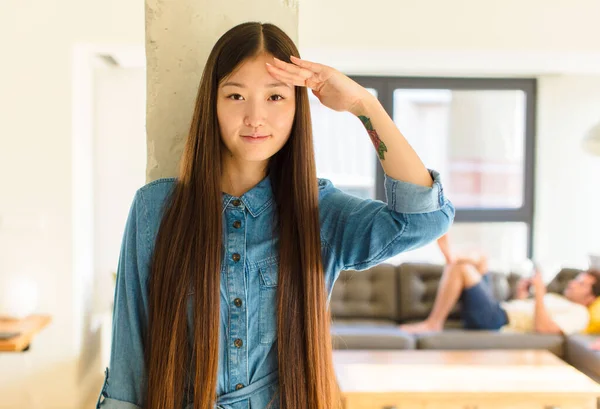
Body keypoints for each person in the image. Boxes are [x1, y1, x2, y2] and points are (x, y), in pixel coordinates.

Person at [97, 22, 454, 409]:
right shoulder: (155, 207)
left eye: (275, 97)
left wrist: (363, 105)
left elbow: (423, 218)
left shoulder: (317, 211)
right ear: (212, 104)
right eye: (236, 95)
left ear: (297, 106)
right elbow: (128, 365)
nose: (255, 117)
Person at [400, 234, 600, 335]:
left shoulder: (579, 314)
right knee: (481, 257)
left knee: (460, 268)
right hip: (498, 310)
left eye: (581, 283)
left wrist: (539, 293)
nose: (573, 283)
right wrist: (522, 296)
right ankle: (452, 256)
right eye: (576, 279)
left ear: (590, 297)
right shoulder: (559, 299)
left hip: (495, 320)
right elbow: (527, 315)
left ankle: (434, 323)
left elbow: (544, 329)